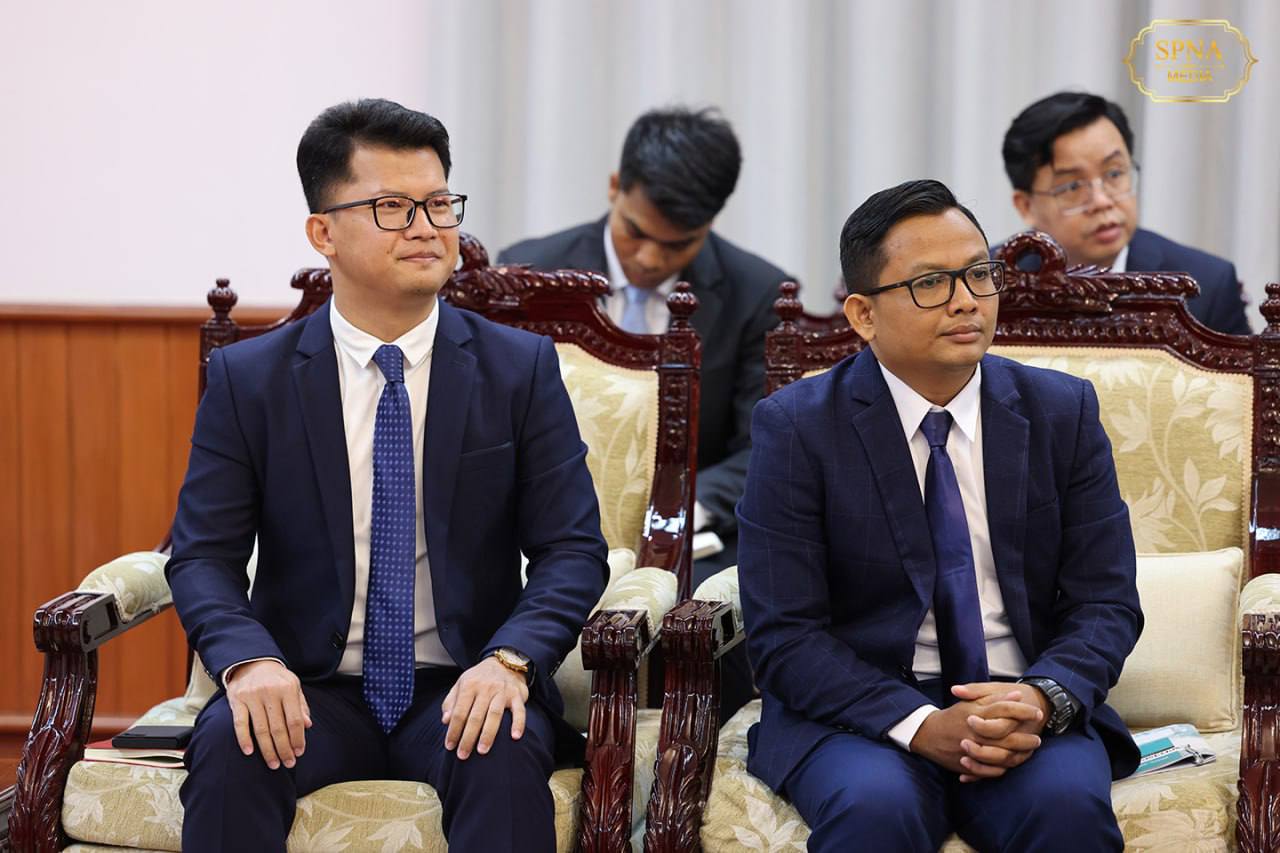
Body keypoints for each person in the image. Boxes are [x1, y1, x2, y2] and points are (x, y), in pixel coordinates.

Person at [167, 98, 608, 852]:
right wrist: (248, 661)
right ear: (323, 233)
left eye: (438, 204)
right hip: (307, 684)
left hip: (463, 682)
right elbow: (202, 555)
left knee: (502, 753)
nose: (427, 228)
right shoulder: (251, 380)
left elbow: (573, 548)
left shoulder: (518, 369)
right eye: (393, 207)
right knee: (232, 749)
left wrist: (511, 661)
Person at [737, 179, 1143, 851]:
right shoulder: (798, 428)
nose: (965, 301)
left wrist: (1040, 698)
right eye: (930, 283)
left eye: (979, 274)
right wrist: (921, 724)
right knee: (874, 810)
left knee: (1066, 808)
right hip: (859, 718)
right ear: (863, 314)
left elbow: (1107, 602)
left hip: (1021, 703)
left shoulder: (1061, 411)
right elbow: (784, 634)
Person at [498, 106, 793, 585]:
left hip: (691, 538)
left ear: (711, 221)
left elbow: (763, 447)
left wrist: (678, 508)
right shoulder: (530, 273)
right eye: (635, 232)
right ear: (615, 186)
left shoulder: (758, 294)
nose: (651, 259)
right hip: (539, 527)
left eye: (679, 245)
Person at [1001, 91, 1250, 335]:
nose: (1102, 201)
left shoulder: (1206, 283)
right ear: (1026, 206)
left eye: (1114, 173)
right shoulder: (991, 284)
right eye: (1073, 186)